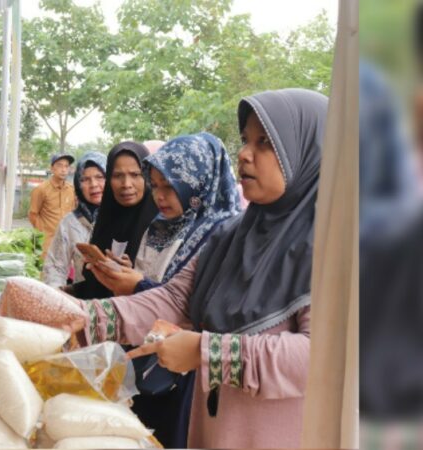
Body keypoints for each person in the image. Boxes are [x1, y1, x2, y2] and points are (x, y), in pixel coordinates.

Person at [45, 88, 328, 449]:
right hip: (211, 428)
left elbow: (319, 358)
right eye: (245, 140)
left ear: (308, 153)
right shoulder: (233, 236)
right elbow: (174, 298)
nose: (243, 154)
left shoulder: (334, 249)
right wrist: (82, 316)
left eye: (265, 143)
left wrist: (206, 352)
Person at [87, 133, 241, 297]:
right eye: (153, 185)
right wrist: (125, 276)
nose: (158, 196)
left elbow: (194, 306)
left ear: (198, 183)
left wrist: (138, 285)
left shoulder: (224, 237)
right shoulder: (157, 227)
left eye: (169, 186)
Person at [69, 142, 157, 300]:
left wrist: (132, 279)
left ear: (148, 176)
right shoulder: (104, 221)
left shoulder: (162, 226)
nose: (126, 184)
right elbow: (91, 286)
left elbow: (170, 294)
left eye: (135, 175)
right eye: (117, 176)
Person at [41, 152, 106, 287]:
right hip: (81, 303)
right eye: (85, 179)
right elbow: (55, 267)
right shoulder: (70, 222)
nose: (93, 184)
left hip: (120, 303)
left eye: (100, 177)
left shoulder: (124, 217)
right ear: (78, 183)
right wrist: (58, 297)